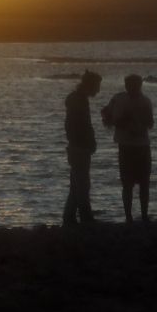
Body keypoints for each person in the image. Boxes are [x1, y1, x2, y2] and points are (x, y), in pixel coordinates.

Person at [102, 74, 154, 222]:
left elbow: (150, 124)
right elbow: (108, 120)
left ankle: (144, 215)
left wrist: (144, 115)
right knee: (127, 183)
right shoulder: (118, 100)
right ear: (126, 86)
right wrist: (127, 116)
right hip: (125, 146)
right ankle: (129, 217)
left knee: (144, 183)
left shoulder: (146, 101)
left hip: (143, 146)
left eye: (137, 86)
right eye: (131, 86)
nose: (134, 89)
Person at [63, 69, 102, 225]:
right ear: (89, 85)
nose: (98, 90)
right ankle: (86, 218)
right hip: (79, 148)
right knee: (83, 186)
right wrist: (87, 141)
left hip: (78, 147)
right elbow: (77, 125)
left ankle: (69, 217)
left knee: (77, 186)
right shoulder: (78, 100)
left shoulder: (78, 99)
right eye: (97, 86)